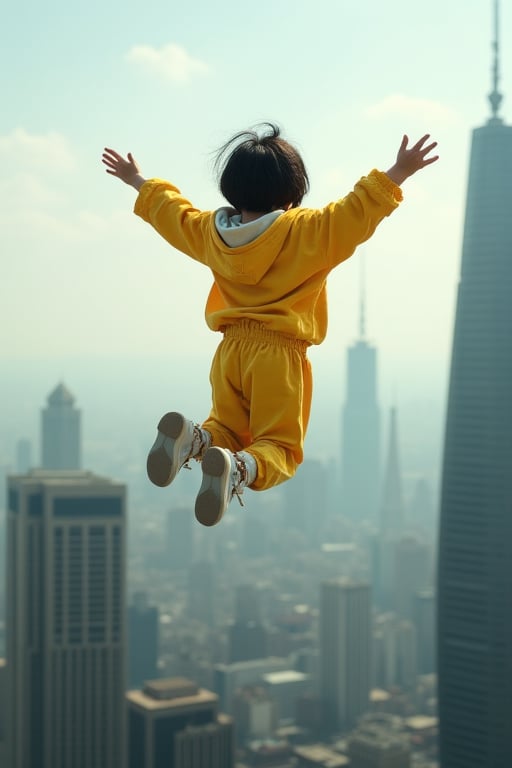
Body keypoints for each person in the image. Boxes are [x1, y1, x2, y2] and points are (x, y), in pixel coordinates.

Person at [102, 123, 438, 527]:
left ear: (232, 187)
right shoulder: (307, 232)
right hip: (279, 355)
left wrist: (137, 180)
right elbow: (356, 211)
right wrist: (399, 171)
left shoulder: (213, 234)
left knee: (225, 428)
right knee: (280, 448)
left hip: (229, 352)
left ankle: (193, 439)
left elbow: (175, 216)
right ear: (293, 192)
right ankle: (240, 470)